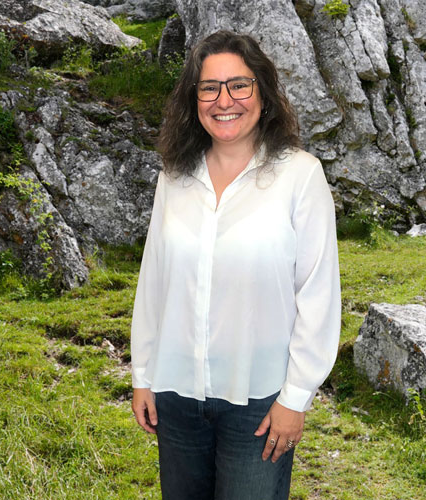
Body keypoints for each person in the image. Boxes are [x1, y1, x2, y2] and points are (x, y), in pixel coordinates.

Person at [131, 30, 341, 500]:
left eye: (239, 85)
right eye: (209, 87)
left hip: (259, 402)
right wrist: (143, 376)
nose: (224, 100)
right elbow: (154, 283)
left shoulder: (299, 175)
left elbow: (318, 294)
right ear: (195, 99)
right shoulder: (174, 178)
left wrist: (296, 397)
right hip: (177, 394)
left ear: (263, 94)